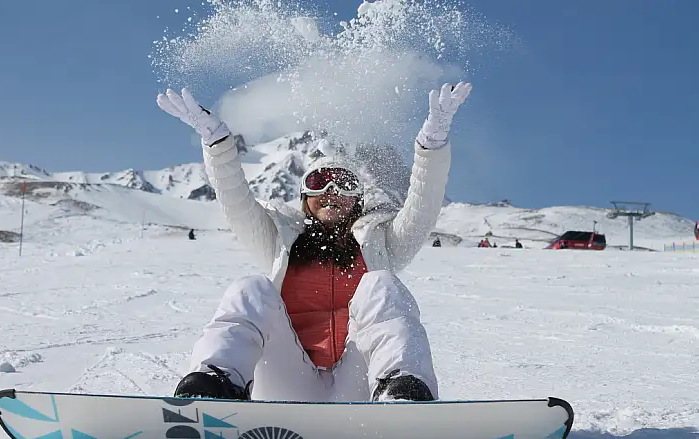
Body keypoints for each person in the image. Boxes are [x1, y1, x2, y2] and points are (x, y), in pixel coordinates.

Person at [156, 81, 472, 402]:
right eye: (319, 183)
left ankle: (401, 393)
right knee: (250, 288)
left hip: (358, 384)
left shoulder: (381, 245)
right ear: (305, 198)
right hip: (289, 381)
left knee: (382, 284)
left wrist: (431, 145)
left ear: (358, 200)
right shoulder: (279, 241)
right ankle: (214, 386)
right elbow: (234, 198)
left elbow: (422, 205)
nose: (331, 193)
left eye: (345, 184)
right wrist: (217, 143)